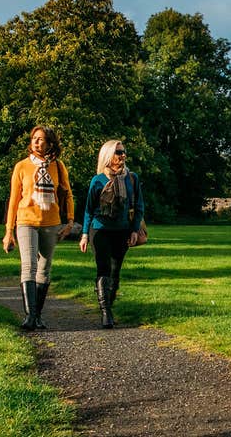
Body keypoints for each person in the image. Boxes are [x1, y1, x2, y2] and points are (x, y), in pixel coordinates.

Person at [2, 126, 74, 331]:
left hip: (51, 223)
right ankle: (30, 317)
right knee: (29, 266)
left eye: (41, 140)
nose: (37, 142)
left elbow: (68, 195)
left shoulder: (58, 167)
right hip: (26, 221)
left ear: (50, 144)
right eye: (34, 139)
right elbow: (14, 200)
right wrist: (9, 231)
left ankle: (39, 315)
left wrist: (69, 221)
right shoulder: (21, 167)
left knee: (44, 268)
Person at [80, 139, 144, 329]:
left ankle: (110, 304)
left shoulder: (131, 178)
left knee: (116, 271)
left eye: (123, 152)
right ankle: (105, 313)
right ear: (108, 156)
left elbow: (139, 205)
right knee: (104, 269)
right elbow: (88, 210)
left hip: (122, 230)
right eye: (118, 152)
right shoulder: (97, 180)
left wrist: (134, 230)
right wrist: (84, 234)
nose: (122, 155)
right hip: (99, 230)